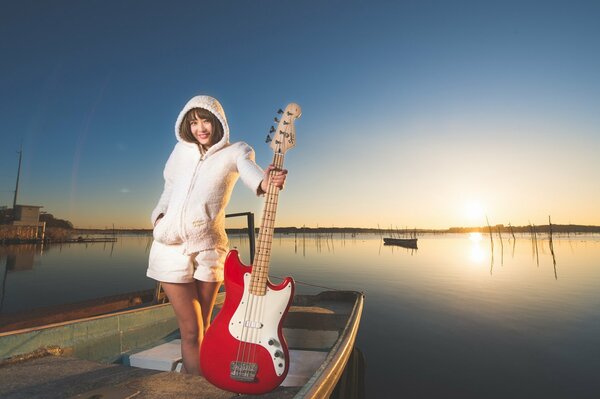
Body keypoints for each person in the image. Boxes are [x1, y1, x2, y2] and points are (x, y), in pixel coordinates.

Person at [147, 95, 287, 375]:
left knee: (206, 325)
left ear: (218, 121)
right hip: (170, 247)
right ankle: (195, 389)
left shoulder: (236, 151)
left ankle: (204, 377)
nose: (201, 128)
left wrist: (265, 180)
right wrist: (159, 219)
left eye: (206, 120)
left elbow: (251, 173)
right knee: (190, 329)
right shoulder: (180, 151)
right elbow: (169, 188)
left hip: (209, 250)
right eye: (194, 122)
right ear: (187, 125)